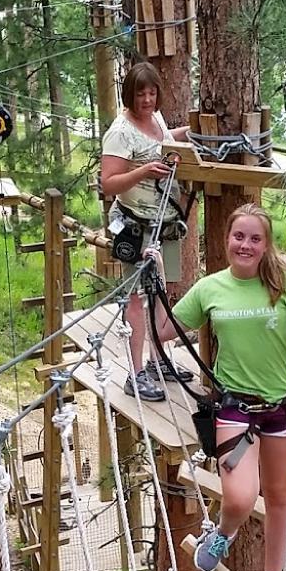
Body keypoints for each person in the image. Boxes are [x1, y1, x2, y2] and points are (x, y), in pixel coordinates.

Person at [150, 203, 286, 571]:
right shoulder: (211, 288)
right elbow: (164, 332)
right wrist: (156, 283)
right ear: (227, 240)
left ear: (266, 246)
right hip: (234, 407)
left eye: (254, 239)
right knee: (240, 498)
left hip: (280, 406)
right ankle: (223, 533)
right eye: (239, 237)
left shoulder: (284, 281)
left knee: (281, 496)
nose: (245, 245)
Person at [100, 62, 190, 401]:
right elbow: (108, 183)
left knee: (163, 292)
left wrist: (187, 135)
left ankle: (158, 360)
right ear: (130, 95)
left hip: (166, 223)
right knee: (138, 298)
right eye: (141, 95)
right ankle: (134, 372)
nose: (148, 100)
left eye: (152, 93)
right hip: (138, 227)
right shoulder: (121, 131)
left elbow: (163, 141)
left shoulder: (157, 119)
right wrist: (143, 173)